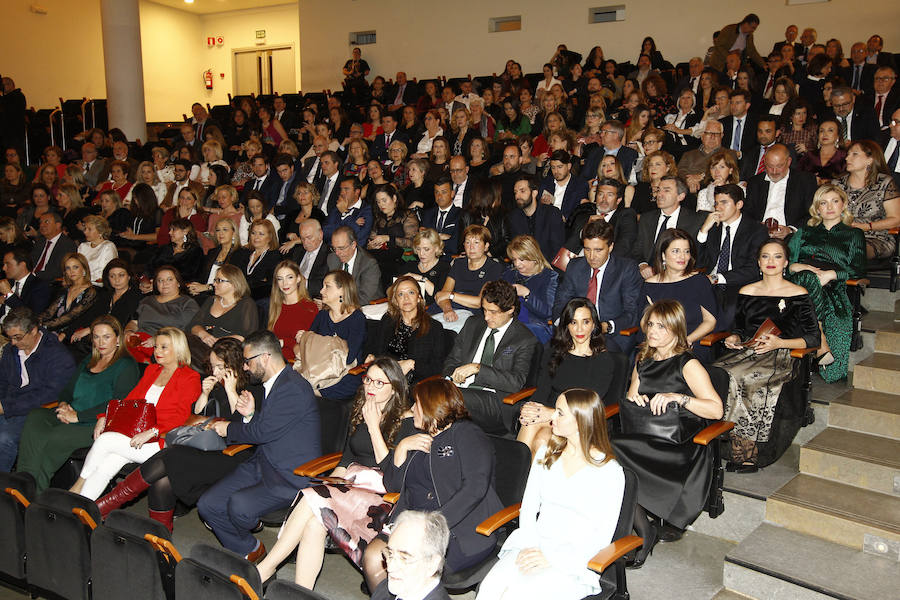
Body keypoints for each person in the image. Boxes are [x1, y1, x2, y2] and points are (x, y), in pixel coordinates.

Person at [256, 358, 418, 587]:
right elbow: (347, 458)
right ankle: (303, 590)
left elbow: (392, 473)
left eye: (379, 383)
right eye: (368, 380)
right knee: (314, 521)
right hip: (350, 486)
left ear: (395, 389)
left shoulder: (408, 421)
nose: (370, 386)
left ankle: (263, 569)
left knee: (312, 497)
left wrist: (374, 426)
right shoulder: (362, 408)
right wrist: (332, 482)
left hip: (379, 496)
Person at [92, 338, 263, 530]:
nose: (215, 372)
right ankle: (160, 537)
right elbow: (196, 416)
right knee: (162, 479)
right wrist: (205, 394)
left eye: (220, 367)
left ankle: (108, 504)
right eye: (212, 366)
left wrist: (231, 390)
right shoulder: (216, 384)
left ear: (234, 366)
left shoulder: (253, 389)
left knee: (170, 454)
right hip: (206, 446)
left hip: (233, 454)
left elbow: (240, 428)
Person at [478, 387, 624, 600]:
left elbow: (602, 535)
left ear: (580, 421)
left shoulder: (610, 472)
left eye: (559, 413)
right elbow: (528, 508)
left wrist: (553, 558)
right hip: (534, 542)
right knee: (490, 589)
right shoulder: (547, 453)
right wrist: (531, 545)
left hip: (574, 559)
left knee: (518, 595)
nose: (551, 417)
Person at [361, 378, 503, 590]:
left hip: (455, 528)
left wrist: (433, 525)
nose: (411, 409)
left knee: (408, 566)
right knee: (373, 558)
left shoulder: (467, 434)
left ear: (430, 405)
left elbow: (475, 488)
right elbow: (393, 486)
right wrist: (401, 448)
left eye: (416, 404)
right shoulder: (416, 436)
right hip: (411, 520)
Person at [613, 300, 724, 567]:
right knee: (604, 450)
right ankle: (641, 528)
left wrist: (679, 397)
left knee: (610, 450)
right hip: (644, 436)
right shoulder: (643, 359)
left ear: (675, 329)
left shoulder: (688, 364)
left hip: (677, 446)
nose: (652, 332)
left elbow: (717, 410)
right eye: (650, 325)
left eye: (661, 327)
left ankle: (638, 531)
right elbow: (631, 398)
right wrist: (637, 399)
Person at [198, 330, 321, 562]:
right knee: (208, 504)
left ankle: (261, 556)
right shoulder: (273, 384)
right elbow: (270, 428)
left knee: (238, 506)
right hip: (262, 463)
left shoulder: (293, 387)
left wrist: (229, 428)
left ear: (265, 357)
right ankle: (249, 550)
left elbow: (263, 432)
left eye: (248, 361)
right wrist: (250, 414)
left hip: (288, 474)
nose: (245, 367)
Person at [715, 239, 821, 471]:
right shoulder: (747, 291)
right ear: (758, 262)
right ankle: (722, 441)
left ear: (785, 262)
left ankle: (747, 453)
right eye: (765, 256)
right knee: (718, 373)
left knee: (748, 378)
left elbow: (814, 338)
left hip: (782, 354)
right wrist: (734, 338)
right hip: (748, 351)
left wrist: (780, 343)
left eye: (777, 256)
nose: (771, 261)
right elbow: (740, 329)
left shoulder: (798, 293)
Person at [68, 327, 200, 500]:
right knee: (107, 465)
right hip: (136, 436)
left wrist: (153, 431)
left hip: (161, 441)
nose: (157, 351)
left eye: (163, 347)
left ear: (178, 348)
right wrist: (105, 417)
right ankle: (81, 507)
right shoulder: (152, 370)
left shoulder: (190, 377)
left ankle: (77, 487)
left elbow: (181, 416)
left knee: (105, 440)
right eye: (156, 347)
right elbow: (130, 401)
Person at [16, 316, 141, 493]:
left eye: (106, 337)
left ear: (118, 339)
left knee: (56, 436)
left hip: (97, 422)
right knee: (36, 417)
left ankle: (37, 493)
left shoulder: (126, 365)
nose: (100, 342)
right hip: (72, 412)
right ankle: (24, 481)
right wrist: (64, 404)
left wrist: (78, 416)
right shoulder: (89, 359)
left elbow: (118, 403)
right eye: (96, 337)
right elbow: (68, 389)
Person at [517, 298, 619, 452]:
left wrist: (551, 414)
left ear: (594, 325)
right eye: (573, 322)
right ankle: (518, 474)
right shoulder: (554, 352)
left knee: (542, 440)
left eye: (585, 322)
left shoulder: (603, 360)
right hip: (551, 415)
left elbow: (588, 405)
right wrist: (530, 410)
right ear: (566, 325)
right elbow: (542, 390)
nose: (579, 329)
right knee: (529, 424)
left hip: (582, 420)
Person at [788, 185, 866, 382]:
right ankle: (820, 338)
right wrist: (799, 268)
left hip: (832, 289)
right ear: (817, 208)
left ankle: (818, 338)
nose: (829, 206)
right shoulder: (804, 232)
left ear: (843, 205)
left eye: (835, 201)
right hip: (798, 285)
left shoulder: (854, 234)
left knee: (834, 374)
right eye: (823, 202)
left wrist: (831, 274)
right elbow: (785, 261)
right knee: (807, 277)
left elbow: (857, 269)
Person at [441, 280, 539, 434]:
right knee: (428, 393)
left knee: (443, 399)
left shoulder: (524, 339)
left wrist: (478, 369)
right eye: (484, 310)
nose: (486, 317)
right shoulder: (473, 324)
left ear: (510, 310)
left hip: (495, 401)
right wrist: (451, 377)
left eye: (493, 312)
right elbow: (452, 361)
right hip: (459, 390)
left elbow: (516, 382)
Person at [0, 307, 77, 471]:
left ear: (34, 330)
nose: (13, 342)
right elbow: (2, 382)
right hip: (12, 403)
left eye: (17, 337)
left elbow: (49, 395)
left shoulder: (58, 356)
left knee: (4, 438)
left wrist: (6, 407)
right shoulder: (11, 350)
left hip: (39, 410)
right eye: (10, 338)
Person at [554, 220, 643, 353]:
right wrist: (567, 326)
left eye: (598, 250)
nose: (591, 256)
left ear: (611, 247)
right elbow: (561, 303)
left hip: (612, 336)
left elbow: (632, 312)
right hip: (575, 333)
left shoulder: (626, 269)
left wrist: (606, 326)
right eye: (587, 249)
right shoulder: (575, 266)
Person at [696, 184, 768, 331]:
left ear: (739, 204)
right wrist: (703, 230)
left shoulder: (756, 230)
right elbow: (697, 262)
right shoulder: (712, 228)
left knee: (729, 308)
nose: (718, 207)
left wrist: (717, 278)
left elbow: (753, 269)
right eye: (716, 203)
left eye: (724, 202)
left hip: (739, 285)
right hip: (710, 285)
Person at [642, 229, 718, 362]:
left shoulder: (699, 281)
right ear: (663, 255)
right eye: (676, 251)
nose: (682, 257)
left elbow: (710, 321)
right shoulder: (649, 285)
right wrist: (664, 342)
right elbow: (644, 322)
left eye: (686, 251)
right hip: (660, 345)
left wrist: (687, 340)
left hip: (692, 344)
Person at [365, 277, 447, 384]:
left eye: (411, 292)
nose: (406, 298)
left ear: (419, 298)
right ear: (396, 301)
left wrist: (412, 364)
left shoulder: (434, 327)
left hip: (415, 385)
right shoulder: (388, 321)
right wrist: (372, 357)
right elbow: (376, 350)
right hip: (385, 377)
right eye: (400, 294)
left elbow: (438, 367)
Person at [304, 270, 366, 399]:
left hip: (345, 371)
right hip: (318, 368)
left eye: (327, 286)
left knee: (347, 385)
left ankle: (314, 391)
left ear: (342, 290)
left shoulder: (357, 318)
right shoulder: (322, 315)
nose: (321, 291)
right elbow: (308, 346)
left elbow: (350, 357)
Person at [833, 140, 900, 259]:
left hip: (875, 237)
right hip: (841, 236)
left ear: (870, 159)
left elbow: (896, 220)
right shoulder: (838, 185)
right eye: (848, 154)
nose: (847, 158)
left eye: (854, 154)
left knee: (851, 249)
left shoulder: (884, 183)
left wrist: (867, 226)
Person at [433, 225, 505, 332]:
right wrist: (448, 310)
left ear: (486, 246)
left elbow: (479, 302)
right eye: (467, 242)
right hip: (448, 308)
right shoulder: (458, 263)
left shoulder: (494, 267)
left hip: (473, 313)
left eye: (476, 243)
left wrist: (451, 295)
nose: (471, 247)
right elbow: (442, 295)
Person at [370, 511, 452, 600]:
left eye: (404, 558)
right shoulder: (384, 588)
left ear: (432, 564)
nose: (390, 567)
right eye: (390, 554)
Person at [187, 264, 259, 366]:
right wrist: (204, 335)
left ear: (234, 283)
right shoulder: (211, 300)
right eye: (215, 280)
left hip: (227, 350)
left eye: (219, 281)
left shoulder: (246, 303)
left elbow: (248, 336)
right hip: (203, 345)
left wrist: (220, 341)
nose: (214, 284)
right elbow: (193, 325)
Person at [125, 266, 200, 362]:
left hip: (165, 345)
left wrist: (157, 339)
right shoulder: (147, 301)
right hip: (139, 341)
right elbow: (134, 322)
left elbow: (184, 331)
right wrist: (128, 331)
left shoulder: (187, 303)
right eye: (160, 280)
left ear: (178, 283)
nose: (164, 283)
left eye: (169, 279)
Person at [633, 175, 705, 276]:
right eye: (658, 190)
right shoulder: (647, 218)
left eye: (666, 190)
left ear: (681, 196)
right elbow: (637, 249)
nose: (659, 194)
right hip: (648, 275)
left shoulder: (694, 220)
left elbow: (698, 255)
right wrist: (643, 265)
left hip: (680, 275)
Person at [744, 144, 820, 238]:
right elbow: (747, 213)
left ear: (788, 162)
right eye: (770, 166)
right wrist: (758, 226)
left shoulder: (805, 180)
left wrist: (791, 229)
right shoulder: (754, 182)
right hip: (759, 235)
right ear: (764, 162)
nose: (774, 171)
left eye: (779, 166)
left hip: (792, 237)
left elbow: (812, 213)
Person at [502, 235, 558, 344]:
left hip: (535, 327)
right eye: (514, 259)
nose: (517, 264)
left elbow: (547, 312)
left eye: (522, 259)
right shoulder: (509, 273)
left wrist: (526, 294)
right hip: (508, 323)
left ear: (534, 257)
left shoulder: (549, 276)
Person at [38, 253, 105, 344]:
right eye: (68, 268)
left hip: (71, 335)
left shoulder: (91, 292)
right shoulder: (64, 290)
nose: (71, 271)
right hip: (52, 331)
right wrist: (34, 322)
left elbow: (71, 316)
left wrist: (42, 326)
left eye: (75, 267)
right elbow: (49, 312)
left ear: (84, 269)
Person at [367, 183, 418, 291]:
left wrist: (389, 238)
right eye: (378, 201)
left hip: (402, 259)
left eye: (384, 200)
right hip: (381, 259)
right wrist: (372, 245)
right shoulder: (379, 219)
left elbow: (413, 242)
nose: (381, 204)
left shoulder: (407, 215)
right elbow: (371, 240)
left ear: (394, 198)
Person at [267, 260, 318, 362]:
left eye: (289, 277)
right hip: (274, 360)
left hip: (297, 363)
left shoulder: (310, 308)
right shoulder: (276, 306)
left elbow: (311, 344)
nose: (285, 283)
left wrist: (285, 342)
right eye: (280, 279)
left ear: (298, 278)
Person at [507, 174, 564, 263]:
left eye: (522, 191)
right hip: (524, 267)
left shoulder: (552, 213)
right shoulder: (514, 217)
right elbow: (516, 249)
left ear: (534, 193)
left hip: (548, 266)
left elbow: (557, 248)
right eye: (515, 192)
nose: (517, 196)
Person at [326, 225, 383, 305]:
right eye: (334, 248)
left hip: (366, 307)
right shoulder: (332, 259)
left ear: (353, 245)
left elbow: (365, 298)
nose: (337, 253)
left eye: (341, 248)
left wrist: (338, 302)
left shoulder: (369, 264)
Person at [228, 218, 282, 300]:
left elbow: (269, 286)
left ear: (270, 237)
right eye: (253, 233)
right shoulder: (241, 253)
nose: (256, 237)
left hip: (260, 301)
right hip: (236, 297)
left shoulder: (275, 257)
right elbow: (231, 276)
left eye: (261, 234)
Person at [397, 229, 450, 306]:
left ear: (436, 248)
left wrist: (422, 279)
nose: (421, 253)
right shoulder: (409, 266)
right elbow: (391, 289)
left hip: (432, 310)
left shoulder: (444, 268)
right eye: (418, 249)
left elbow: (440, 296)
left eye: (426, 249)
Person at [149, 218, 204, 283]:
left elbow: (191, 276)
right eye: (170, 230)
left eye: (173, 230)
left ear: (185, 231)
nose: (169, 233)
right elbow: (150, 267)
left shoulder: (195, 252)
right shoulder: (164, 248)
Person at [0, 248, 51, 317]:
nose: (3, 268)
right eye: (4, 264)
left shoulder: (39, 286)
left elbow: (30, 316)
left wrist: (9, 294)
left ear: (22, 265)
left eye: (8, 264)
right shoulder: (7, 283)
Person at [30, 212, 78, 284]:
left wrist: (33, 275)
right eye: (40, 222)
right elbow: (30, 261)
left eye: (46, 222)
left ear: (58, 225)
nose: (42, 225)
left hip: (49, 282)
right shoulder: (40, 242)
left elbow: (59, 270)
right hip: (32, 279)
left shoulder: (67, 244)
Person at [76, 215, 117, 284]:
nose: (85, 232)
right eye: (85, 229)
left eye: (89, 229)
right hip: (81, 284)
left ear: (100, 231)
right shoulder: (82, 246)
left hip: (98, 286)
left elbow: (106, 273)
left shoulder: (108, 247)